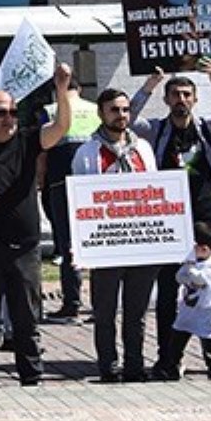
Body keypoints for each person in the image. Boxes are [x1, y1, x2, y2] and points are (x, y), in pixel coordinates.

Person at [130, 60, 211, 380]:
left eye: (186, 94)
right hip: (171, 222)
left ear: (194, 100)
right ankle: (168, 359)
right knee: (170, 290)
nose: (181, 99)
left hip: (210, 220)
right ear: (167, 100)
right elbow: (127, 120)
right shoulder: (156, 130)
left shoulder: (208, 127)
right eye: (175, 94)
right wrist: (148, 87)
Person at [0, 62, 73, 387]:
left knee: (26, 317)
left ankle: (31, 374)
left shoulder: (27, 140)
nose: (8, 119)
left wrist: (61, 89)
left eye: (12, 112)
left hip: (25, 247)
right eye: (0, 113)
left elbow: (61, 127)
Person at [69, 88, 157, 382]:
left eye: (124, 110)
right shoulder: (88, 152)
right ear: (101, 114)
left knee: (137, 313)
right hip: (106, 245)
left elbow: (155, 192)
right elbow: (79, 202)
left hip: (142, 242)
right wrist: (78, 244)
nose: (121, 116)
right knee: (104, 313)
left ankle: (135, 365)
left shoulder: (143, 148)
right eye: (114, 110)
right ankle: (108, 365)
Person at [38, 82, 98, 322]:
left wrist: (39, 180)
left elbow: (42, 150)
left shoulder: (50, 110)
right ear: (80, 90)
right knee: (96, 243)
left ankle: (71, 303)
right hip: (91, 185)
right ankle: (99, 305)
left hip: (60, 183)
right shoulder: (95, 109)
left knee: (67, 244)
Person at [159, 222, 211, 368]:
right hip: (188, 310)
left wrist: (191, 270)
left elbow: (202, 280)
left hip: (205, 313)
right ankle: (171, 365)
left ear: (204, 248)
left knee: (209, 342)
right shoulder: (192, 262)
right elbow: (179, 277)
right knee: (178, 337)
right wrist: (187, 272)